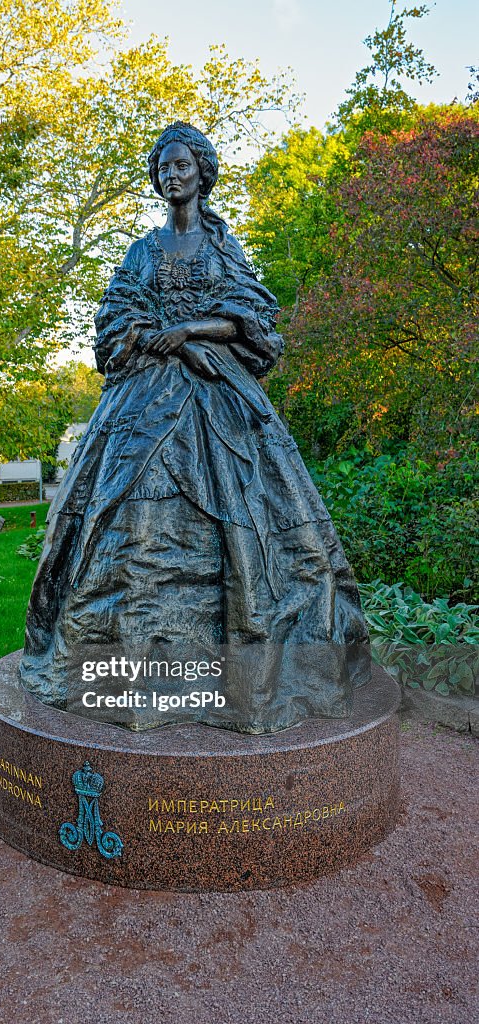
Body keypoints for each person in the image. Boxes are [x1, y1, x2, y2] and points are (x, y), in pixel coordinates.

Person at [20, 122, 369, 733]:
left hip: (221, 398)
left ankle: (246, 662)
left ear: (202, 171)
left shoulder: (222, 247)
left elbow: (253, 316)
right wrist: (171, 343)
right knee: (128, 514)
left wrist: (190, 332)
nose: (170, 174)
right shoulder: (142, 252)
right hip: (144, 398)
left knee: (251, 516)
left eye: (181, 164)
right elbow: (116, 319)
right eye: (162, 167)